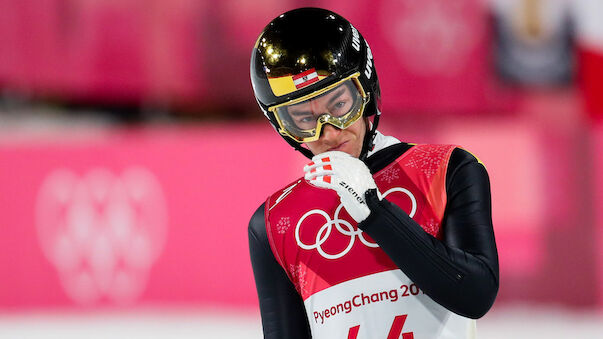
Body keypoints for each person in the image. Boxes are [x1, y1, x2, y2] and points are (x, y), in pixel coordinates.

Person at [248, 7, 499, 339]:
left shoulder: (448, 169)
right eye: (305, 120)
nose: (329, 132)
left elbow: (475, 295)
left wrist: (374, 211)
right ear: (283, 127)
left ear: (365, 92)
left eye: (339, 106)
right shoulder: (272, 222)